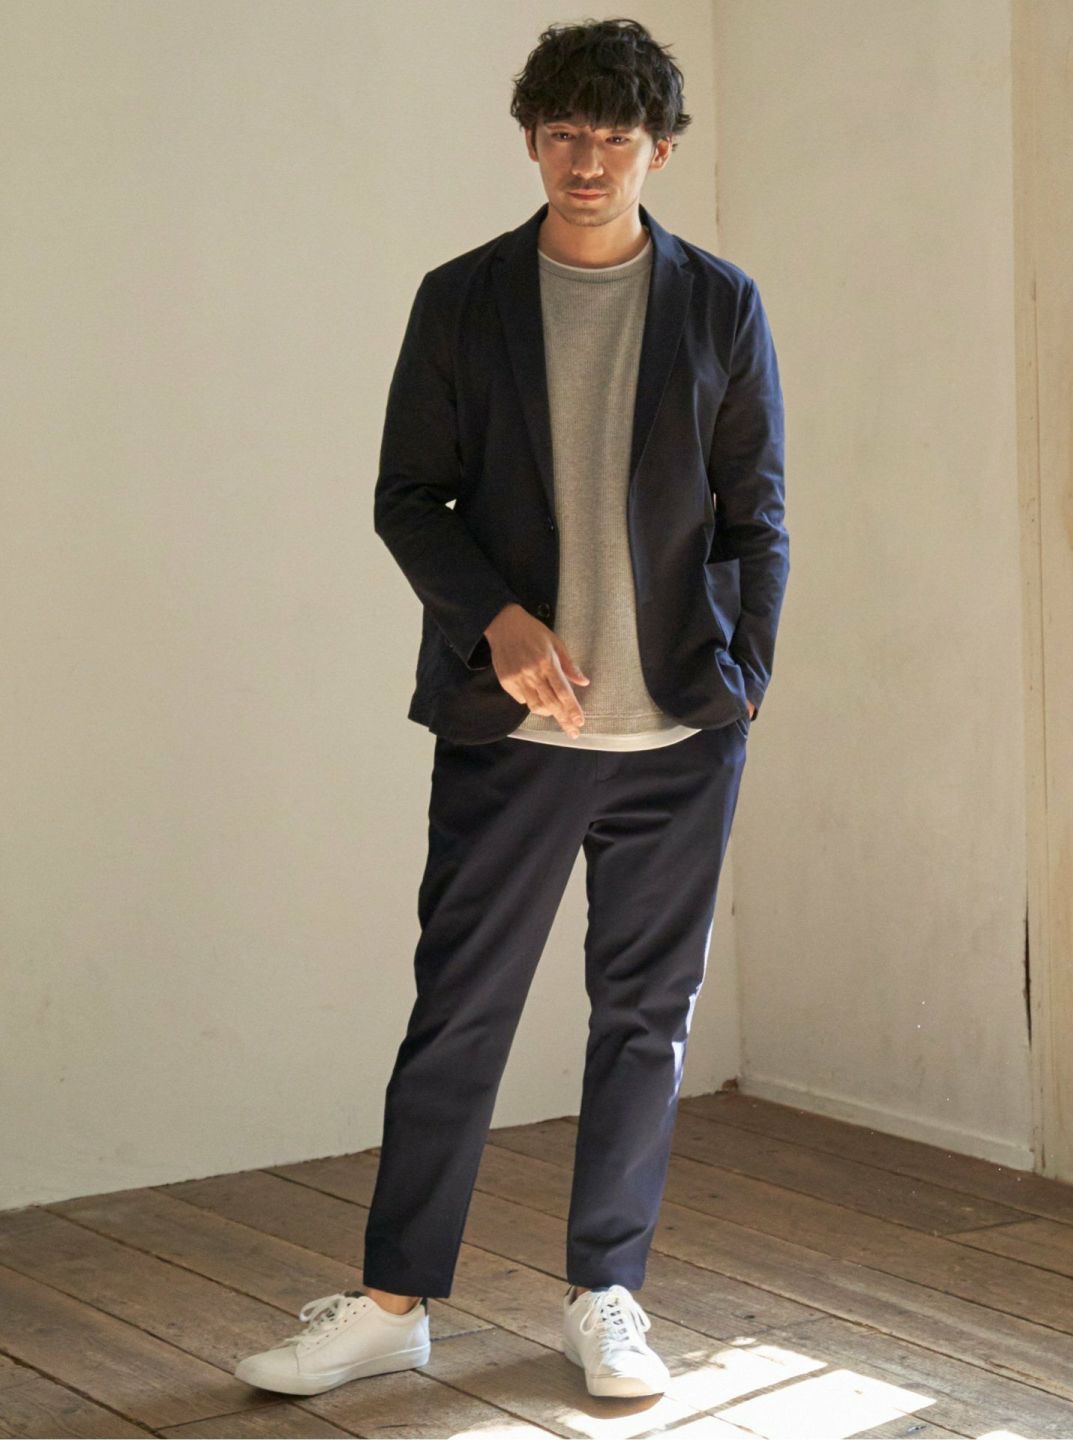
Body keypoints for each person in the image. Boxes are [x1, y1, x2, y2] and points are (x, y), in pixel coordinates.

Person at [235, 15, 787, 1403]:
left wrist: (741, 683)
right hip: (512, 734)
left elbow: (757, 515)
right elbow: (407, 498)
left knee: (644, 1023)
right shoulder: (463, 300)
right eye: (563, 133)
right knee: (459, 1016)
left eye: (615, 136)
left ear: (659, 150)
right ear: (531, 140)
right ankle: (393, 1303)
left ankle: (609, 1297)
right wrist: (498, 618)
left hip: (680, 738)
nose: (587, 160)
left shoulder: (721, 307)